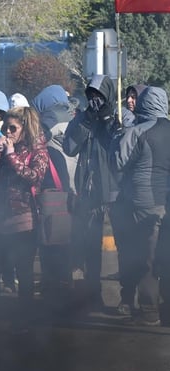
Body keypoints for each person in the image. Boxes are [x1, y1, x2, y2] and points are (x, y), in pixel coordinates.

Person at [0, 107, 49, 333]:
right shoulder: (3, 148)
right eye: (5, 128)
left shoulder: (38, 150)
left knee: (24, 273)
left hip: (24, 221)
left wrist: (11, 156)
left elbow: (34, 176)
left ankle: (25, 319)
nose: (8, 132)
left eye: (13, 128)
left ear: (25, 129)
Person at [110, 86, 170, 326]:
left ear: (145, 104)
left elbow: (118, 163)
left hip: (143, 204)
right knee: (164, 257)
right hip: (166, 203)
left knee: (146, 258)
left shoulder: (137, 132)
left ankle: (149, 312)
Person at [63, 75, 122, 311]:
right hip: (89, 193)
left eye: (99, 95)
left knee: (126, 246)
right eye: (91, 96)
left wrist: (108, 120)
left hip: (114, 193)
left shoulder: (116, 118)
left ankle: (127, 298)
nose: (95, 100)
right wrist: (86, 120)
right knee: (88, 246)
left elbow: (117, 147)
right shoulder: (82, 119)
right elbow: (70, 147)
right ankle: (92, 296)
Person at [32, 85, 77, 307]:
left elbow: (37, 143)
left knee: (51, 237)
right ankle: (66, 282)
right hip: (73, 184)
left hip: (55, 185)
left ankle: (54, 284)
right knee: (66, 237)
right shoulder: (71, 115)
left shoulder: (51, 117)